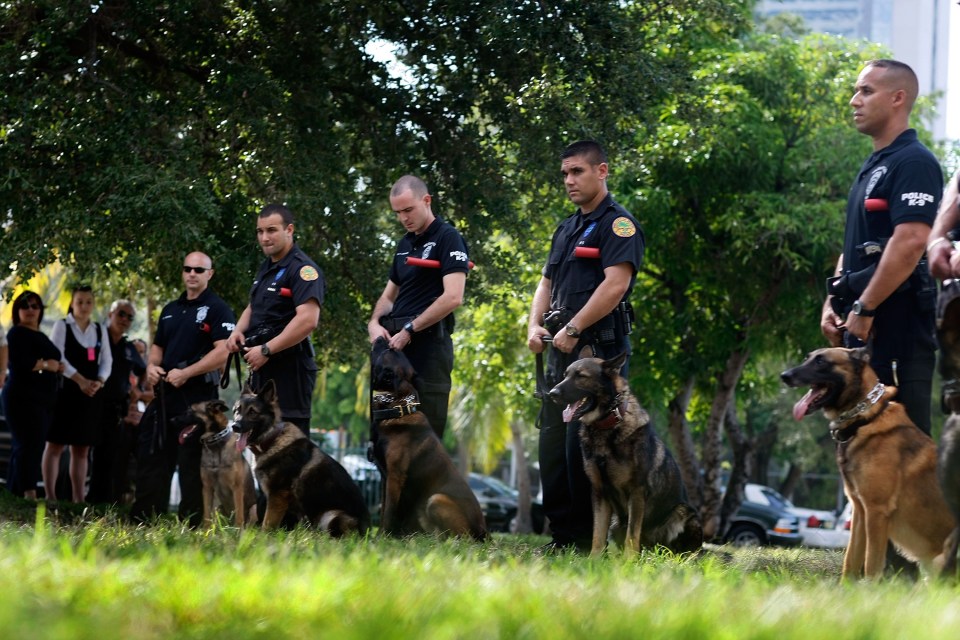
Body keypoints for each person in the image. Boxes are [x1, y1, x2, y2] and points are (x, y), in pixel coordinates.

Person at [526, 140, 645, 551]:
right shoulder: (566, 228)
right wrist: (533, 326)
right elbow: (546, 284)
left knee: (589, 450)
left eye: (577, 171)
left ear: (602, 171)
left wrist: (574, 328)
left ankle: (588, 541)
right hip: (560, 354)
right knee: (552, 447)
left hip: (596, 357)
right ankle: (563, 537)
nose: (569, 181)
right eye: (564, 174)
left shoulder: (618, 224)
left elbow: (616, 284)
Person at [821, 59, 942, 435]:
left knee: (906, 461)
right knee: (863, 455)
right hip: (862, 329)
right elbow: (857, 246)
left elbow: (911, 241)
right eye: (856, 90)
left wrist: (866, 305)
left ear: (898, 98)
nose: (855, 100)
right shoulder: (875, 163)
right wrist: (834, 300)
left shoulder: (914, 162)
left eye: (866, 91)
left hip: (898, 333)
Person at [130, 252, 235, 524]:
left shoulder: (218, 308)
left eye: (199, 270)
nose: (192, 274)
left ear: (209, 274)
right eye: (188, 268)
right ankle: (144, 521)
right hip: (165, 398)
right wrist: (152, 368)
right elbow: (157, 349)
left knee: (192, 468)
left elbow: (223, 352)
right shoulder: (170, 309)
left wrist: (186, 373)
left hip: (198, 401)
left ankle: (192, 526)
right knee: (151, 458)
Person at [367, 175, 469, 439]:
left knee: (422, 443)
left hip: (427, 353)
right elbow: (389, 297)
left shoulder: (449, 238)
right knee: (389, 435)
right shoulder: (404, 244)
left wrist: (409, 330)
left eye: (408, 210)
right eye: (398, 212)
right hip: (394, 358)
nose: (403, 218)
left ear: (426, 201)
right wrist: (374, 324)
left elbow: (453, 297)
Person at [227, 204, 322, 436]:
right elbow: (254, 305)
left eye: (271, 230)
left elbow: (308, 320)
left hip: (289, 371)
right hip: (262, 368)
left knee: (289, 447)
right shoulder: (267, 267)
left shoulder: (303, 269)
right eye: (260, 231)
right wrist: (238, 331)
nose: (264, 237)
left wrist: (267, 350)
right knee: (263, 447)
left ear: (289, 230)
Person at [43, 285, 112, 503]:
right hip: (66, 392)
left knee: (82, 448)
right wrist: (80, 380)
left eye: (88, 302)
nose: (84, 306)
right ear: (72, 303)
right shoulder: (62, 325)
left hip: (90, 394)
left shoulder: (100, 329)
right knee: (55, 444)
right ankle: (50, 496)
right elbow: (58, 355)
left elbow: (107, 360)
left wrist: (98, 382)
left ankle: (78, 498)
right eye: (80, 301)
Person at [2, 291, 63, 499]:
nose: (30, 310)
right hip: (21, 398)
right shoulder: (16, 334)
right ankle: (29, 494)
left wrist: (56, 367)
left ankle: (13, 493)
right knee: (27, 445)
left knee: (32, 445)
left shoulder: (40, 334)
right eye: (25, 306)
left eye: (35, 306)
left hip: (42, 400)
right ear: (17, 310)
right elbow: (19, 364)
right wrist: (48, 365)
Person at [86, 300, 147, 504]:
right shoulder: (95, 338)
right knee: (89, 454)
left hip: (116, 409)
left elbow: (143, 370)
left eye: (130, 317)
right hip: (93, 404)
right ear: (111, 314)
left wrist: (137, 390)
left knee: (110, 456)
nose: (125, 320)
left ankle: (106, 502)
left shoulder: (129, 347)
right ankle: (88, 499)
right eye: (121, 314)